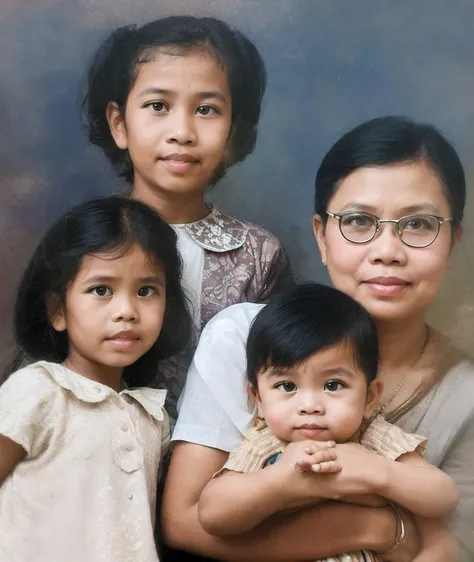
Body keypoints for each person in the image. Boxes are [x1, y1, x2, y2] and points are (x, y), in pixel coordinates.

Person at [162, 116, 474, 561]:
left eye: (419, 225)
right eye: (359, 221)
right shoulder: (246, 337)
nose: (387, 251)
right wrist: (377, 527)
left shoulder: (466, 394)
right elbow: (186, 523)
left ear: (453, 243)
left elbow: (453, 545)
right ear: (321, 237)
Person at [83, 15, 292, 416]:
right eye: (158, 105)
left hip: (224, 465)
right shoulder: (86, 239)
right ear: (119, 124)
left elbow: (288, 375)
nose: (182, 131)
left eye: (207, 109)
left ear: (233, 131)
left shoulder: (259, 254)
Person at [198, 284, 459, 562]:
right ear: (258, 399)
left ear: (370, 397)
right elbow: (213, 515)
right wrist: (278, 480)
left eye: (333, 385)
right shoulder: (264, 445)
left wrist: (381, 473)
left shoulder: (373, 438)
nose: (310, 406)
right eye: (287, 386)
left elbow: (442, 497)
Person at [0, 197, 192, 562]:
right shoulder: (39, 391)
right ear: (59, 311)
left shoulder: (153, 418)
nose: (127, 312)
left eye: (146, 291)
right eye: (101, 290)